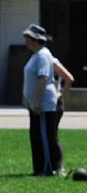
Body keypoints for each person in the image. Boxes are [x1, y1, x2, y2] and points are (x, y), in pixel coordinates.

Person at [22, 24, 61, 176]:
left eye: (28, 38)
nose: (26, 40)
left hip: (44, 104)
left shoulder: (44, 55)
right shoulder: (36, 55)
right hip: (35, 104)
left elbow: (43, 78)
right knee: (36, 136)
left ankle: (47, 167)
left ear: (35, 39)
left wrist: (37, 101)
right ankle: (39, 167)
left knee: (44, 136)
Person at [52, 57, 75, 175]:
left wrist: (60, 95)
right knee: (51, 135)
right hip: (49, 103)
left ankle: (59, 166)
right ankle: (53, 165)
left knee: (53, 135)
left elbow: (69, 78)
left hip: (55, 103)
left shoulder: (53, 61)